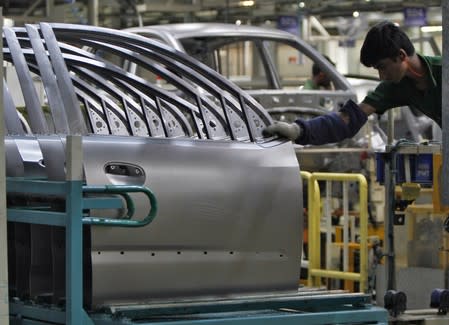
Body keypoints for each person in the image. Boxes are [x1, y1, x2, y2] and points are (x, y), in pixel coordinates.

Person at [263, 21, 442, 145]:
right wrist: (299, 130)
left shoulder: (443, 70)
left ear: (401, 56)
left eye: (382, 67)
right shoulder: (395, 87)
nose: (381, 76)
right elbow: (348, 119)